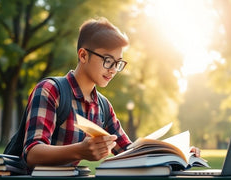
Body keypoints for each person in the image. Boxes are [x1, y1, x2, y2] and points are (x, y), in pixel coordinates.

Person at [20, 17, 200, 170]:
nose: (113, 70)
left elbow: (129, 153)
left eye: (118, 63)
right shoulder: (51, 90)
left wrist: (177, 152)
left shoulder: (103, 106)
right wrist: (79, 151)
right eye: (107, 60)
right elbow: (32, 152)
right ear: (83, 55)